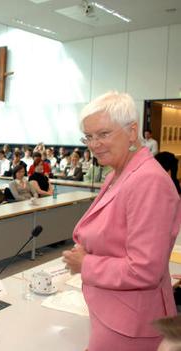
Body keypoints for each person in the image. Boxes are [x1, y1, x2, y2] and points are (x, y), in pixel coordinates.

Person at [62, 91, 180, 351]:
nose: (94, 144)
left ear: (132, 131)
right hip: (113, 310)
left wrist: (86, 263)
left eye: (103, 134)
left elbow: (144, 269)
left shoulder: (148, 181)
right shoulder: (117, 173)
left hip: (131, 322)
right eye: (89, 137)